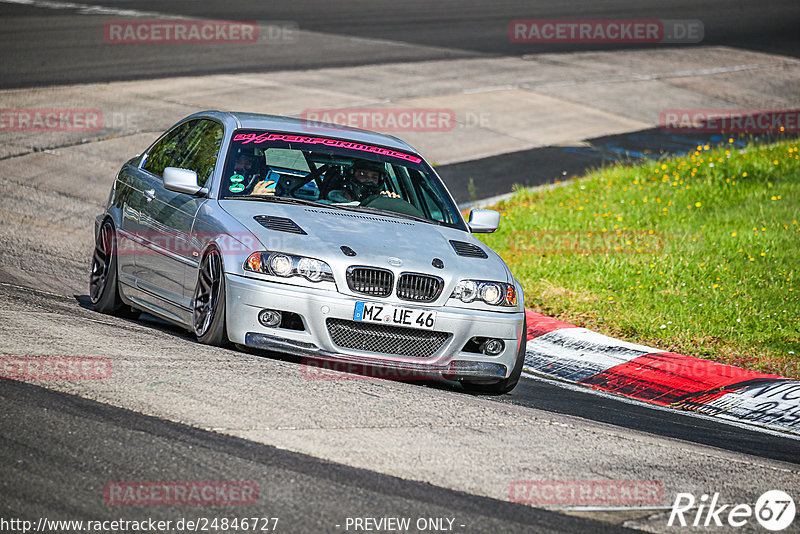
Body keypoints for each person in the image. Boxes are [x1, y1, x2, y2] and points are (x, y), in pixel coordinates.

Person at [329, 159, 400, 202]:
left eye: (374, 177)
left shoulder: (380, 208)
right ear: (351, 176)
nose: (369, 180)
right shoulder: (325, 206)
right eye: (363, 174)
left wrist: (392, 203)